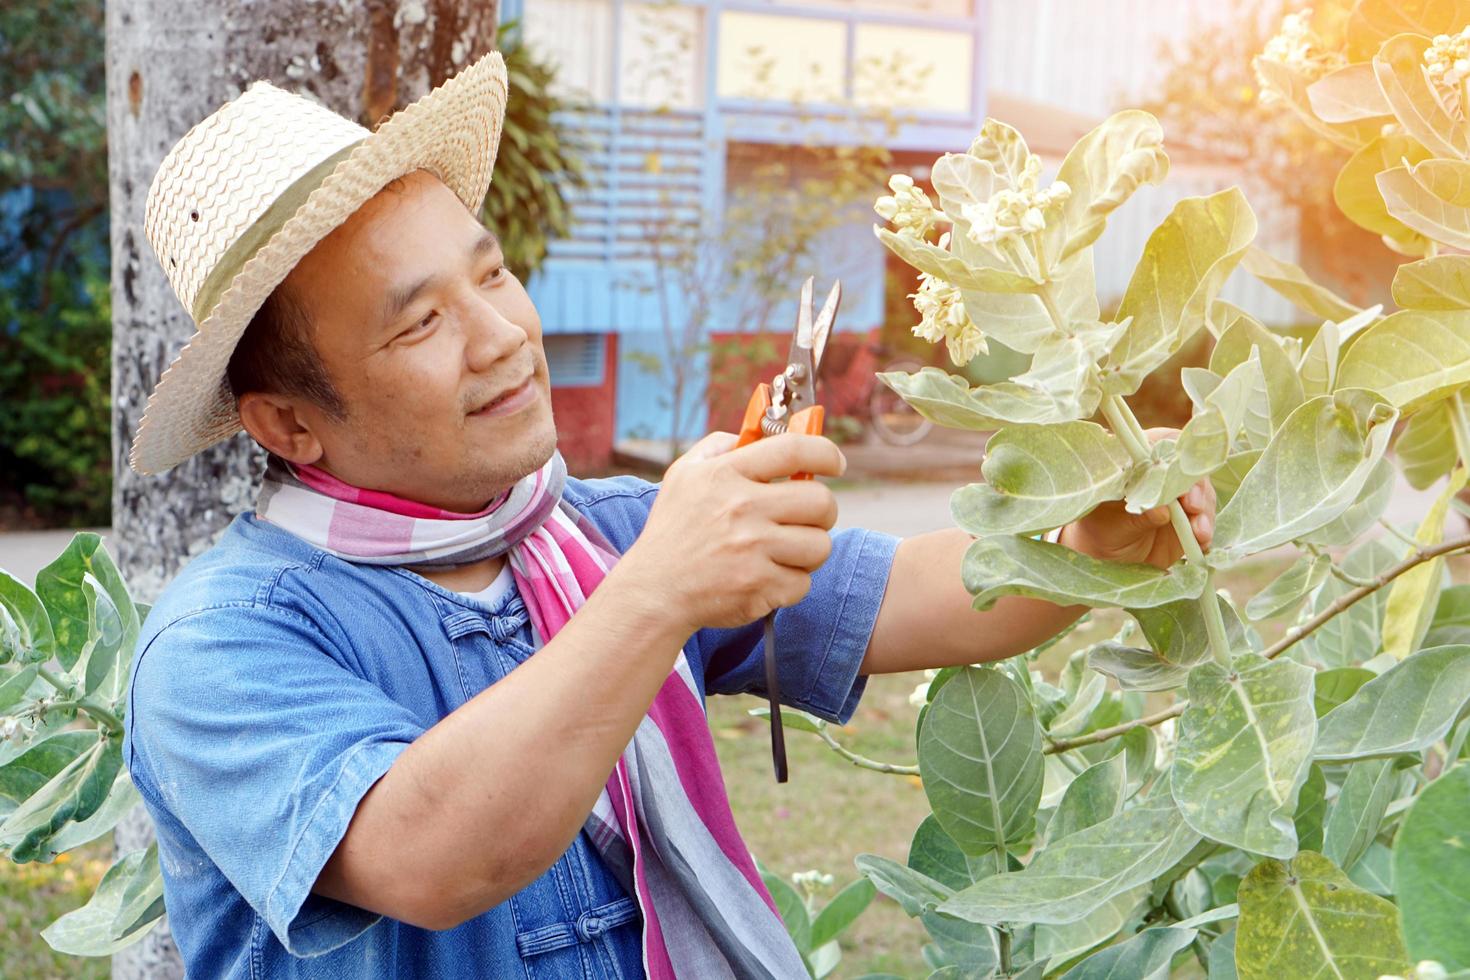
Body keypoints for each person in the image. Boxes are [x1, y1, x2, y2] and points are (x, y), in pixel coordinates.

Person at [122, 52, 1216, 979]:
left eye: (493, 276)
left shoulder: (598, 528)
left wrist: (1088, 539)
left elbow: (929, 596)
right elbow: (431, 854)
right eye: (419, 327)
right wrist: (658, 586)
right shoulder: (220, 643)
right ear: (287, 423)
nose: (502, 335)